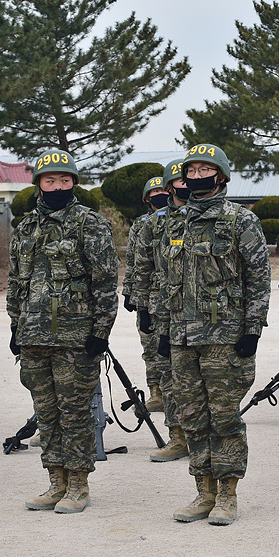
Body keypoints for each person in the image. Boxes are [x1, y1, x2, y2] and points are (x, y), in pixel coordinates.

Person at [156, 144, 270, 525]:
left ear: (220, 176)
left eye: (206, 170)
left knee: (224, 418)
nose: (198, 176)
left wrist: (252, 328)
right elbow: (164, 281)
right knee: (191, 416)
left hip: (225, 337)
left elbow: (258, 277)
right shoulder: (173, 223)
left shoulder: (240, 221)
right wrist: (162, 329)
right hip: (181, 337)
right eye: (192, 170)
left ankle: (227, 494)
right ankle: (203, 491)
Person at [8, 149, 119, 514]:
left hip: (76, 337)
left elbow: (104, 282)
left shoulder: (91, 224)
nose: (57, 186)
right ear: (38, 183)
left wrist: (100, 331)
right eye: (50, 180)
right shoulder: (25, 227)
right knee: (46, 413)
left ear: (74, 183)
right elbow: (16, 281)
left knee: (75, 413)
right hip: (33, 336)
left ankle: (79, 485)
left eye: (64, 180)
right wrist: (15, 325)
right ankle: (55, 481)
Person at [132, 159, 192, 462]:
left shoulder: (212, 218)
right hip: (162, 310)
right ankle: (177, 436)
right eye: (178, 181)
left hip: (205, 314)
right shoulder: (154, 223)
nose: (184, 185)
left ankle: (203, 437)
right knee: (169, 375)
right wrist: (141, 305)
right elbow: (140, 266)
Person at [122, 175, 168, 412]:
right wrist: (129, 292)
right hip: (147, 296)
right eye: (154, 191)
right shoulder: (140, 224)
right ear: (147, 198)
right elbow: (133, 260)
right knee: (150, 346)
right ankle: (156, 393)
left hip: (171, 296)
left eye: (163, 189)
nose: (159, 194)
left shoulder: (181, 218)